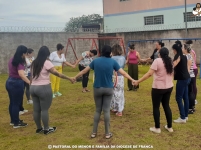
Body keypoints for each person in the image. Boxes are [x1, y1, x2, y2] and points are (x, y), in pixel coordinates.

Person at [73, 45, 135, 139]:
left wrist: (75, 77)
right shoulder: (112, 62)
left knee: (98, 110)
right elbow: (123, 73)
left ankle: (94, 132)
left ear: (101, 52)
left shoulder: (95, 61)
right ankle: (107, 133)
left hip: (97, 88)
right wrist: (132, 79)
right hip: (108, 89)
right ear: (110, 53)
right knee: (106, 111)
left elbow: (84, 71)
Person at [30, 46, 74, 135]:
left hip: (33, 87)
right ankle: (46, 129)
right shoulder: (47, 62)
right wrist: (69, 78)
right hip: (43, 87)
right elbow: (57, 73)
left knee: (36, 110)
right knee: (44, 109)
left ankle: (39, 128)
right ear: (47, 54)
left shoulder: (34, 63)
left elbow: (31, 77)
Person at [133, 47, 174, 133]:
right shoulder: (170, 61)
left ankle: (157, 128)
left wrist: (138, 81)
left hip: (158, 88)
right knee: (166, 106)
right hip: (169, 87)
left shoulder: (157, 61)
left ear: (160, 54)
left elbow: (149, 74)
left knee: (156, 107)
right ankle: (169, 127)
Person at [6, 45, 30, 128]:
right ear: (23, 53)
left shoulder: (11, 59)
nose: (26, 55)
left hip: (9, 81)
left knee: (12, 102)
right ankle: (16, 123)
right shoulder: (19, 62)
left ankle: (13, 120)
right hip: (16, 83)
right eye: (26, 53)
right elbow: (21, 75)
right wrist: (29, 82)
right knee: (16, 103)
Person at [172, 44, 190, 123]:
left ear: (175, 50)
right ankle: (185, 116)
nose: (173, 51)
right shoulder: (184, 56)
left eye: (173, 50)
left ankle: (182, 117)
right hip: (187, 78)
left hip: (182, 79)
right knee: (185, 97)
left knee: (178, 98)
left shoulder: (178, 56)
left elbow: (173, 65)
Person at [110, 44, 126, 116]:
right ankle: (117, 108)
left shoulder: (112, 58)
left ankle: (119, 110)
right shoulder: (123, 58)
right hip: (121, 76)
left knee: (115, 93)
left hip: (115, 76)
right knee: (120, 92)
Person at [182, 44, 196, 114]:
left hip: (189, 76)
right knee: (190, 92)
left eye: (182, 48)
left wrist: (185, 76)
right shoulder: (188, 56)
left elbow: (187, 69)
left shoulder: (187, 56)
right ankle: (191, 107)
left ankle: (190, 108)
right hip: (191, 76)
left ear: (185, 49)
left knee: (188, 93)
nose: (182, 49)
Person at [186, 40, 198, 105]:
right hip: (193, 69)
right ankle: (192, 98)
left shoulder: (191, 52)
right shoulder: (191, 51)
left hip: (193, 69)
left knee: (193, 85)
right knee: (192, 85)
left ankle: (194, 99)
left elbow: (192, 61)